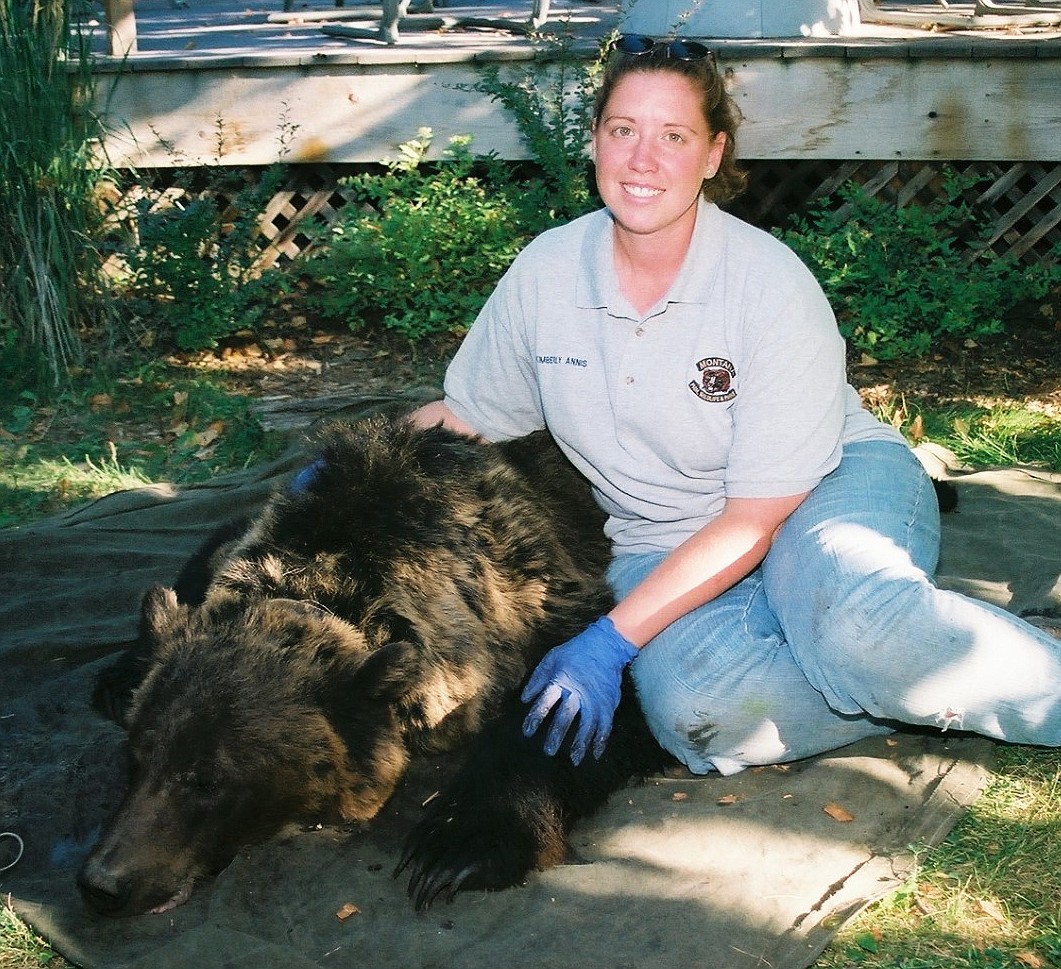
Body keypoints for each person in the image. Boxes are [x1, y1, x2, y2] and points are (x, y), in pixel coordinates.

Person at [407, 35, 1061, 776]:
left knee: (856, 629)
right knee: (700, 713)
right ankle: (919, 655)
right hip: (661, 534)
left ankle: (900, 643)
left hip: (818, 490)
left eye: (673, 136)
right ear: (594, 142)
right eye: (622, 130)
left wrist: (610, 639)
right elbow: (472, 413)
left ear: (712, 156)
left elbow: (753, 517)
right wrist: (347, 460)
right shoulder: (544, 273)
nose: (641, 159)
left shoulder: (767, 283)